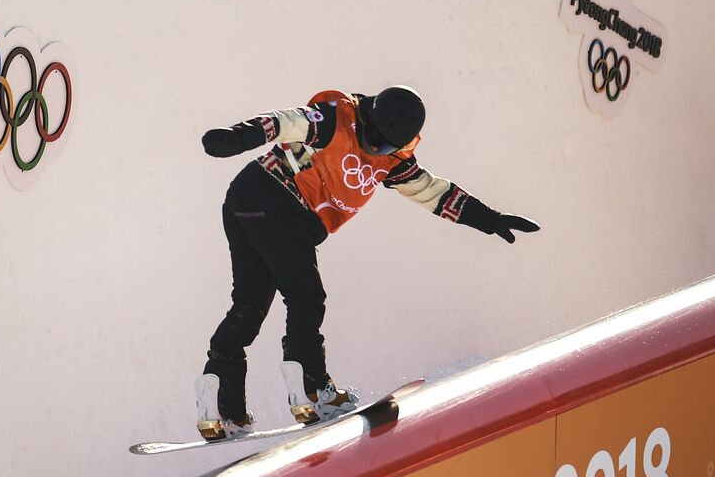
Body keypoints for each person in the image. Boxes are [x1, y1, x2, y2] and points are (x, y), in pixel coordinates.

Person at [195, 86, 539, 440]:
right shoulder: (334, 119)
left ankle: (222, 407)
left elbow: (433, 192)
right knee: (306, 297)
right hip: (275, 201)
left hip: (248, 202)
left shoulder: (392, 161)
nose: (376, 148)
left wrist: (490, 219)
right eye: (372, 137)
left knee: (249, 306)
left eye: (386, 145)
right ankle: (314, 390)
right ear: (367, 116)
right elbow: (283, 123)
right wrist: (235, 138)